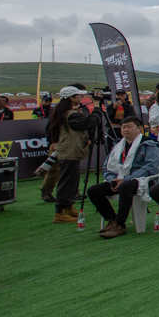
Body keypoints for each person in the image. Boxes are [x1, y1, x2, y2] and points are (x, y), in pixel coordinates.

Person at [87, 116, 159, 238]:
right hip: (120, 178)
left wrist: (125, 179)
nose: (125, 130)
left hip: (142, 180)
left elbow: (150, 168)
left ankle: (120, 224)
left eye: (129, 127)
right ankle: (112, 219)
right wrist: (112, 179)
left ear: (139, 128)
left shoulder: (149, 144)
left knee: (125, 186)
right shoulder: (118, 145)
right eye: (123, 127)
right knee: (93, 190)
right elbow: (107, 167)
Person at [48, 86, 93, 223]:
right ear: (71, 98)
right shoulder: (69, 114)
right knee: (67, 181)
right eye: (78, 96)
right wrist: (96, 109)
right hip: (69, 150)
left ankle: (67, 206)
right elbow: (89, 122)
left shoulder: (62, 112)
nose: (81, 98)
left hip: (69, 150)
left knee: (70, 180)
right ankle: (60, 212)